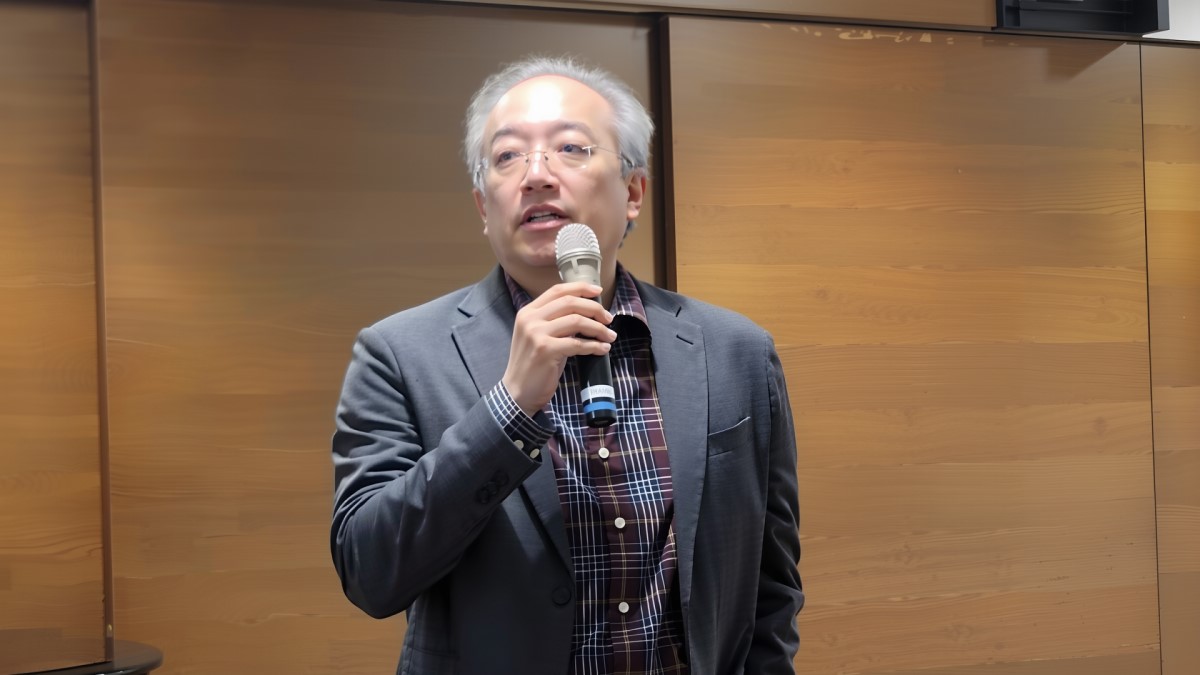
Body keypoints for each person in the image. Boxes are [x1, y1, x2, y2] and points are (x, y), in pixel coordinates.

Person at [330, 55, 803, 675]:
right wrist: (508, 410)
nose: (536, 175)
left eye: (571, 148)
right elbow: (369, 574)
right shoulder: (398, 353)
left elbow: (772, 587)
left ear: (633, 192)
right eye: (507, 156)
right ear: (483, 207)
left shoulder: (736, 350)